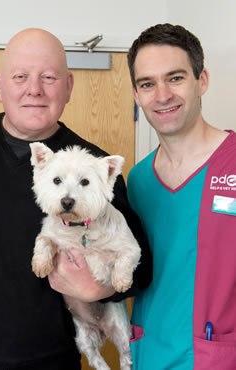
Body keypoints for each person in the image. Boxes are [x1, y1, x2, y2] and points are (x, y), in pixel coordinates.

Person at [0, 28, 152, 370]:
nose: (34, 89)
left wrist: (101, 290)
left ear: (68, 86)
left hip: (50, 360)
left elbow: (142, 268)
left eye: (48, 77)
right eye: (20, 76)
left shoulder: (95, 169)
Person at [127, 23, 236, 369]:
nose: (162, 95)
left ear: (201, 80)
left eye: (175, 78)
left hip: (219, 357)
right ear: (136, 94)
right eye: (148, 84)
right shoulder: (138, 180)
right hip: (150, 353)